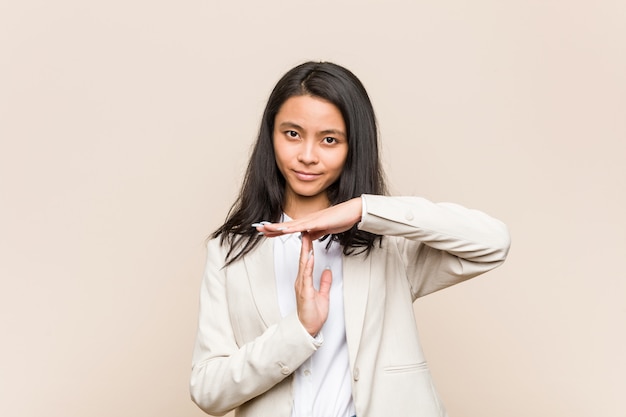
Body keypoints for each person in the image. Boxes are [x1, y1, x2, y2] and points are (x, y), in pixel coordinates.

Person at [190, 61, 510, 417]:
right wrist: (297, 331)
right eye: (292, 134)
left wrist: (364, 210)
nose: (307, 156)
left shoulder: (388, 243)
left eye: (329, 140)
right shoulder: (229, 250)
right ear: (271, 136)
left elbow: (492, 243)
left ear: (353, 147)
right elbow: (207, 390)